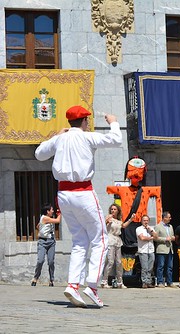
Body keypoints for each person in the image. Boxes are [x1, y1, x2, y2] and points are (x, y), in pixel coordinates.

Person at [35, 105, 122, 308]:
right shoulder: (87, 137)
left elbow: (39, 153)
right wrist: (113, 122)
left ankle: (73, 284)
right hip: (83, 192)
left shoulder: (60, 139)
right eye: (87, 120)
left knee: (79, 240)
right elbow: (116, 139)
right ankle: (91, 285)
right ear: (84, 121)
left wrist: (56, 135)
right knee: (100, 238)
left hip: (63, 195)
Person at [101, 204, 133, 288]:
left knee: (119, 262)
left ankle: (120, 282)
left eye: (115, 209)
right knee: (110, 261)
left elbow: (123, 226)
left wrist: (130, 219)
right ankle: (104, 281)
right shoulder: (108, 218)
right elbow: (103, 225)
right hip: (110, 239)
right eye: (112, 209)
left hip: (118, 240)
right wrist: (107, 220)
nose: (113, 210)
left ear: (117, 211)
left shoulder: (118, 221)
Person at [31, 203, 61, 287]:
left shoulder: (46, 219)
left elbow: (38, 226)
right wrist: (60, 212)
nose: (53, 211)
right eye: (51, 210)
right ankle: (35, 278)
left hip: (51, 242)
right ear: (47, 211)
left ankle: (51, 280)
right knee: (40, 260)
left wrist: (42, 230)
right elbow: (58, 221)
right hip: (42, 242)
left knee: (51, 261)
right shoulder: (45, 218)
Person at [155, 211, 175, 288]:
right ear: (165, 218)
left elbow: (172, 236)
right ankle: (160, 282)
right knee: (161, 266)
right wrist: (165, 239)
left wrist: (173, 238)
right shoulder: (158, 226)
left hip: (170, 249)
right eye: (169, 217)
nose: (170, 219)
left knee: (170, 266)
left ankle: (169, 282)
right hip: (161, 249)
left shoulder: (170, 226)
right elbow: (155, 238)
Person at [136, 215, 157, 288]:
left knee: (150, 267)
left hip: (151, 250)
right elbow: (142, 238)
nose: (146, 222)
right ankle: (144, 282)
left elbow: (156, 237)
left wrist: (151, 230)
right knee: (144, 267)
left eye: (147, 220)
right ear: (141, 221)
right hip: (143, 250)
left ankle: (149, 281)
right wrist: (151, 237)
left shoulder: (151, 228)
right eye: (144, 220)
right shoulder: (139, 229)